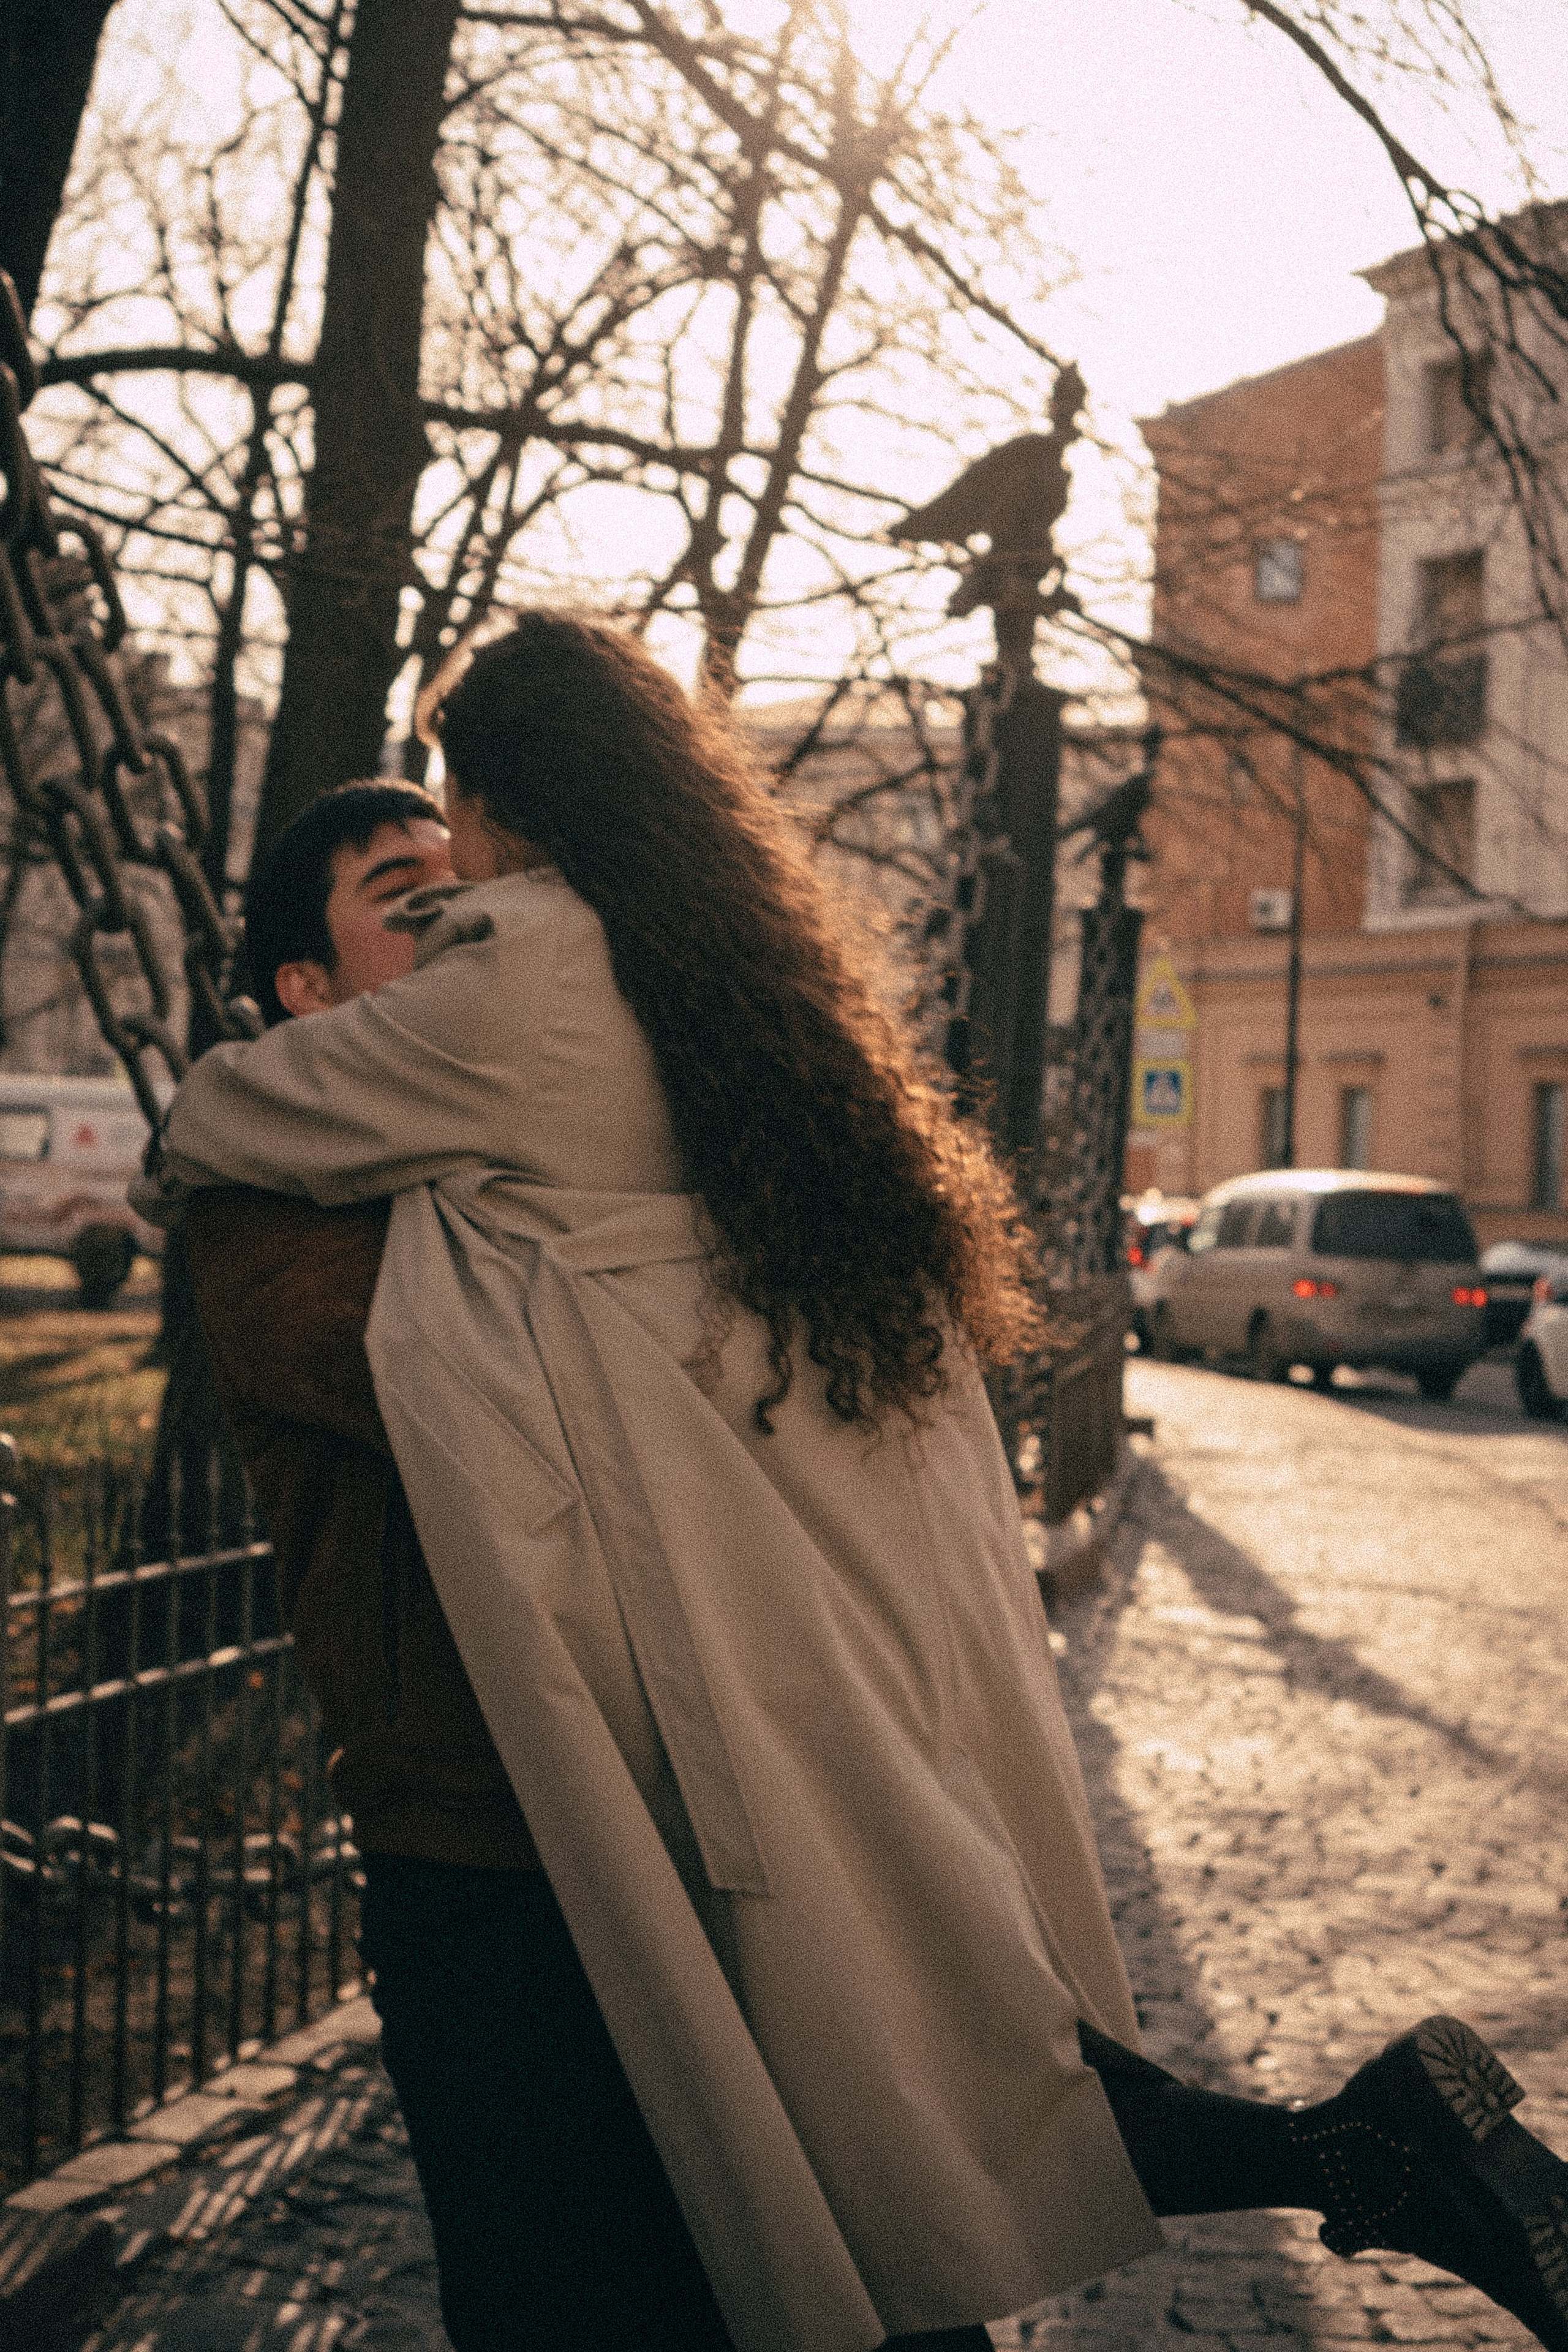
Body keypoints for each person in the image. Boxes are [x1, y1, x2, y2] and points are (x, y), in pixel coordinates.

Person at [151, 614, 1568, 2352]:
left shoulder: (502, 1001)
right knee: (892, 2114)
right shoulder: (685, 989)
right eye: (403, 897)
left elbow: (267, 1174)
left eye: (458, 856)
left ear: (520, 813)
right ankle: (1360, 2147)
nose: (454, 906)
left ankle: (1358, 2146)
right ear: (303, 983)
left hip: (581, 1800)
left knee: (732, 2216)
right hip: (641, 1738)